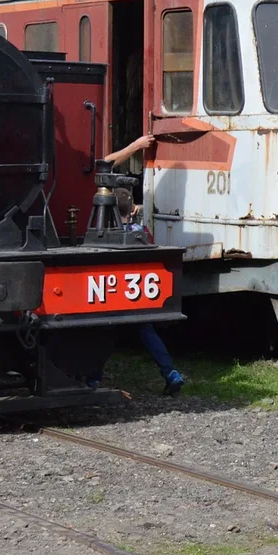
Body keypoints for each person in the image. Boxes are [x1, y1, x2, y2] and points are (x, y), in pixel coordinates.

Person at [94, 133, 185, 397]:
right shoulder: (141, 230)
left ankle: (92, 379)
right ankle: (171, 372)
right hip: (137, 292)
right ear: (132, 208)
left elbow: (104, 163)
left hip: (112, 291)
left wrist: (134, 146)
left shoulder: (104, 231)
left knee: (105, 333)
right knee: (146, 329)